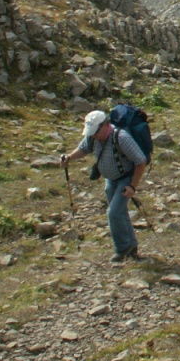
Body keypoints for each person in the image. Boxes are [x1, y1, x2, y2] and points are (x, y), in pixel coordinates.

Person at [61, 110, 147, 263]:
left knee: (113, 213)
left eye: (95, 132)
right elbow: (83, 149)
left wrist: (132, 186)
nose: (93, 135)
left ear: (106, 125)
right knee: (120, 213)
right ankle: (132, 248)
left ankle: (122, 249)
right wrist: (69, 157)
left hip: (125, 179)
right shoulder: (92, 137)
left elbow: (140, 161)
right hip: (110, 180)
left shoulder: (121, 138)